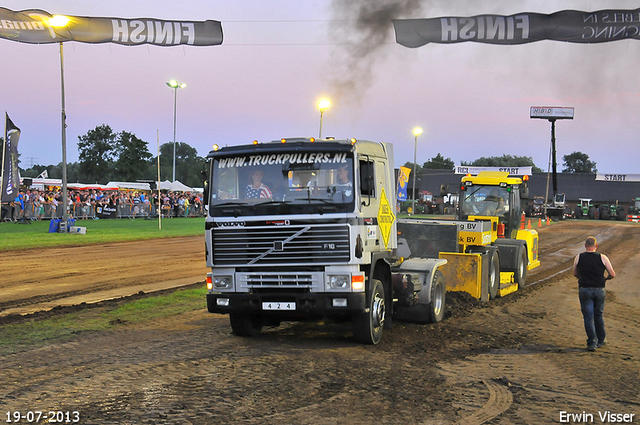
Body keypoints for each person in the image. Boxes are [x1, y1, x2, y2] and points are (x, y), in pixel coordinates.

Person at [572, 236, 616, 351]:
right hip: (599, 289)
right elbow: (612, 273)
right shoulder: (603, 257)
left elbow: (575, 273)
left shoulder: (578, 257)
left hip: (585, 289)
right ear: (596, 246)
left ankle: (592, 342)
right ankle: (601, 339)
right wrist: (606, 279)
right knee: (598, 314)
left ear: (585, 246)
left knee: (588, 316)